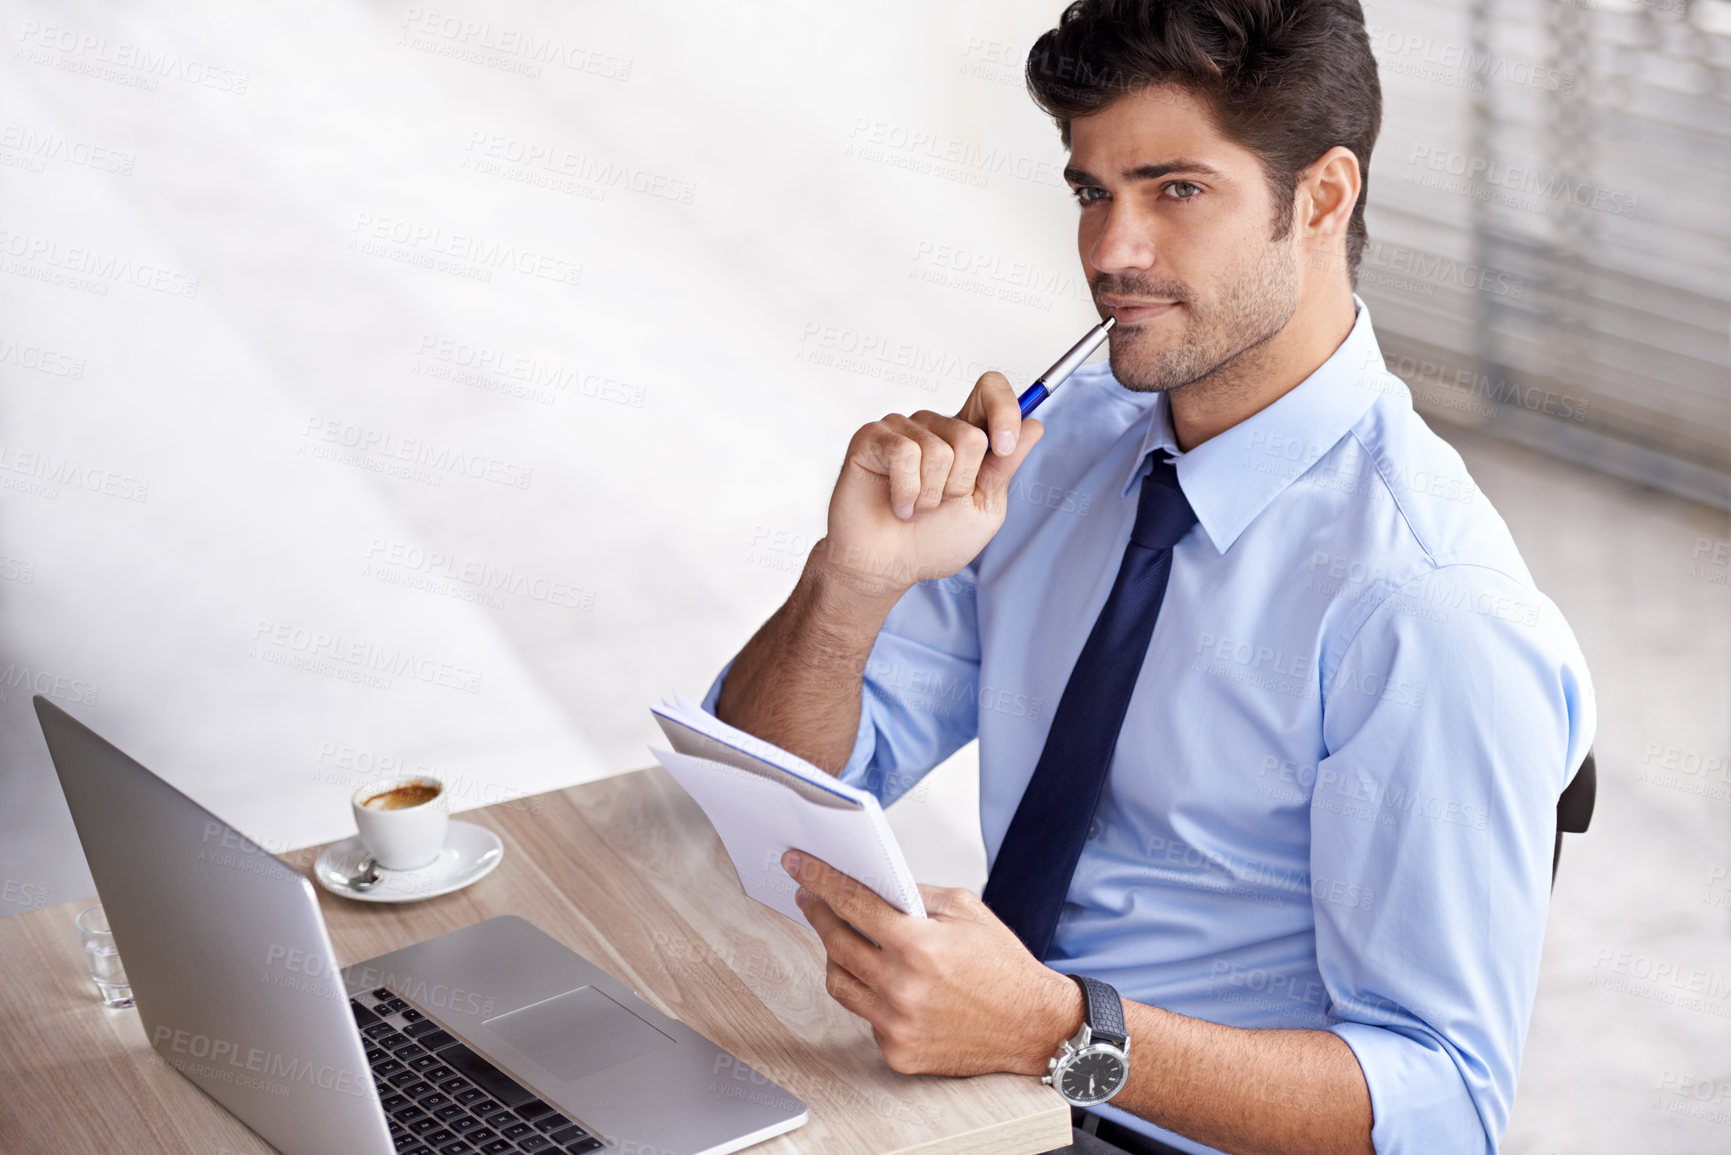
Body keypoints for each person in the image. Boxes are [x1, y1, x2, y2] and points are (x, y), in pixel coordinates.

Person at [705, 1, 1596, 1152]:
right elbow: (773, 794)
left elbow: (1444, 1108)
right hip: (977, 1101)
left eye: (1175, 190)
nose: (1110, 253)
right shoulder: (1064, 447)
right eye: (1093, 191)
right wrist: (851, 586)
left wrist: (1052, 1031)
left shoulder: (1425, 604)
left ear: (1322, 198)